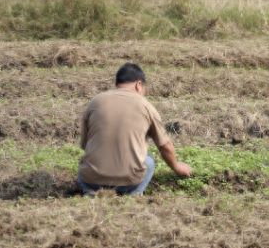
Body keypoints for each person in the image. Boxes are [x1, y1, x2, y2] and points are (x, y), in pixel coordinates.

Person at [78, 63, 192, 196]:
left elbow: (85, 145)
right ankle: (132, 196)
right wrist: (178, 167)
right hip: (129, 181)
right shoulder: (145, 106)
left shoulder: (95, 102)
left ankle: (91, 194)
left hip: (91, 180)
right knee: (148, 160)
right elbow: (165, 147)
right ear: (139, 84)